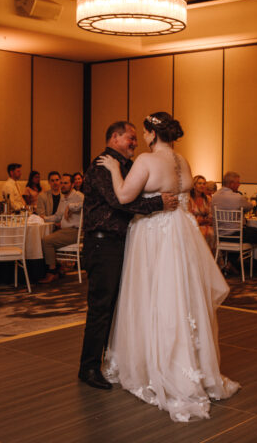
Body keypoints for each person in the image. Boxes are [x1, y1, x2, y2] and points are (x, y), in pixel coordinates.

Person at [97, 112, 239, 422]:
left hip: (152, 234)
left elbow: (123, 196)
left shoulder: (147, 161)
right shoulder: (183, 161)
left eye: (144, 132)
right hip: (180, 234)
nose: (141, 138)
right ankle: (193, 366)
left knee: (152, 296)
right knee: (181, 297)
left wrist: (113, 171)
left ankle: (156, 366)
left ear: (150, 133)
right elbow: (186, 189)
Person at [78, 121, 178, 392]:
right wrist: (159, 203)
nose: (134, 142)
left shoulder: (123, 166)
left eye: (136, 138)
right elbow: (119, 201)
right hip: (102, 245)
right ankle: (88, 367)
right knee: (101, 307)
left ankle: (108, 360)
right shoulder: (102, 165)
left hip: (120, 243)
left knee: (115, 307)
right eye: (130, 138)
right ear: (114, 137)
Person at [212, 171, 257, 275]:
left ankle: (230, 264)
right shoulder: (237, 197)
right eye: (237, 182)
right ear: (231, 184)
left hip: (220, 235)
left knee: (245, 232)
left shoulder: (215, 196)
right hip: (235, 235)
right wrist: (253, 203)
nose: (239, 185)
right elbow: (249, 207)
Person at [39, 173, 84, 283]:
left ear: (72, 184)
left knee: (46, 241)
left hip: (75, 231)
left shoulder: (78, 196)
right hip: (65, 231)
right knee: (45, 237)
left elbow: (88, 203)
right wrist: (43, 218)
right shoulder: (63, 197)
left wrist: (71, 206)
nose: (62, 185)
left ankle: (52, 272)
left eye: (66, 183)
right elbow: (58, 216)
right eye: (62, 183)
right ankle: (58, 268)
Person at [188, 175, 214, 249]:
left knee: (212, 233)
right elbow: (188, 216)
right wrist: (199, 221)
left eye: (204, 183)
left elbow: (210, 215)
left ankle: (211, 258)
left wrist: (206, 220)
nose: (202, 185)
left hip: (206, 225)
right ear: (194, 185)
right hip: (193, 226)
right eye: (199, 183)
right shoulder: (189, 199)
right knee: (200, 233)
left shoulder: (208, 199)